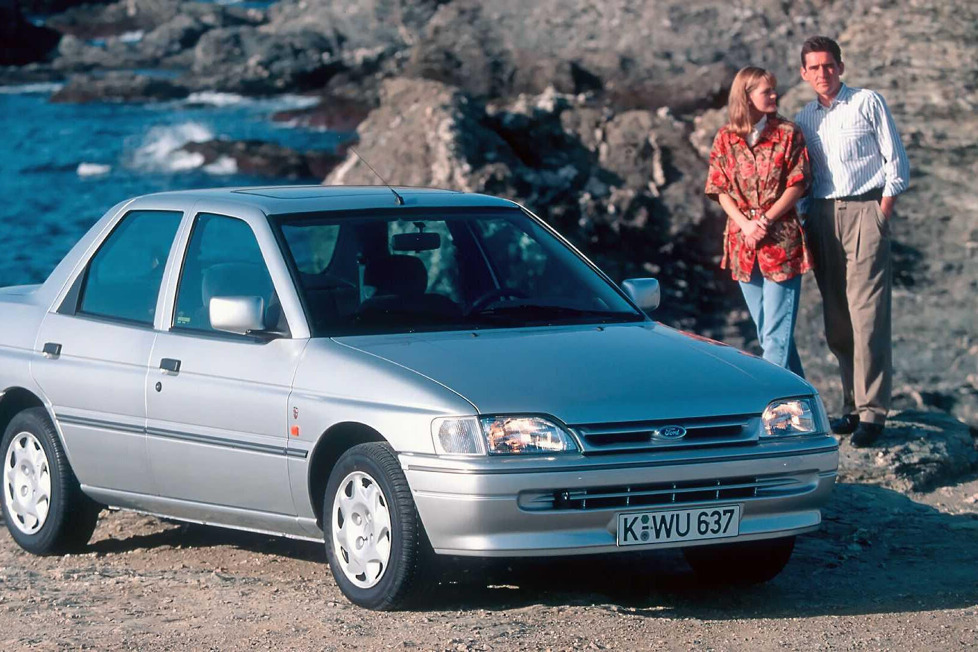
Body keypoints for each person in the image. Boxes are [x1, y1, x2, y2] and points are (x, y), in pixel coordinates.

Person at [794, 36, 910, 447]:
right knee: (837, 319)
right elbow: (804, 176)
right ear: (804, 74)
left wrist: (881, 212)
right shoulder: (805, 118)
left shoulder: (868, 102)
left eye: (829, 65)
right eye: (814, 68)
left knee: (868, 315)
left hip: (865, 210)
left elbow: (896, 163)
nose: (823, 73)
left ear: (840, 67)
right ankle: (850, 405)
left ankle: (874, 411)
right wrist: (807, 218)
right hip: (822, 217)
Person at [705, 66, 812, 377]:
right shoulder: (725, 138)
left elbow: (798, 183)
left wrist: (764, 219)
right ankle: (800, 405)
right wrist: (746, 223)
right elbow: (719, 188)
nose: (775, 95)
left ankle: (769, 408)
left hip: (781, 243)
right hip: (743, 243)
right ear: (746, 97)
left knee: (775, 338)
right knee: (769, 333)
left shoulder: (788, 133)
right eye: (767, 91)